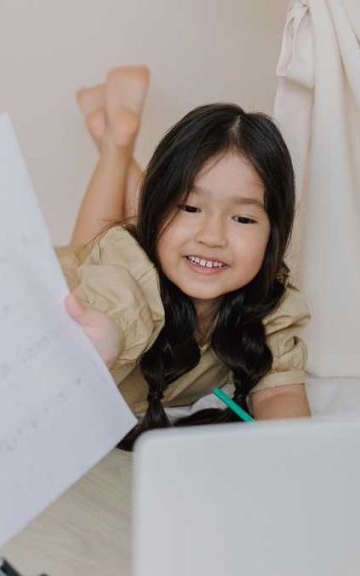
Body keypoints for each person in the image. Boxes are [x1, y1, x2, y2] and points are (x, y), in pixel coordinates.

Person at [62, 66, 310, 449]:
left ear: (273, 234)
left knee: (166, 236)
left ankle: (115, 142)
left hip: (152, 244)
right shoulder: (127, 272)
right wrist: (105, 337)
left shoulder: (270, 306)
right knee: (94, 245)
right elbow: (113, 306)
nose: (213, 237)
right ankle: (115, 146)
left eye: (243, 219)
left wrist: (295, 450)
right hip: (72, 283)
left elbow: (280, 393)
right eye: (190, 207)